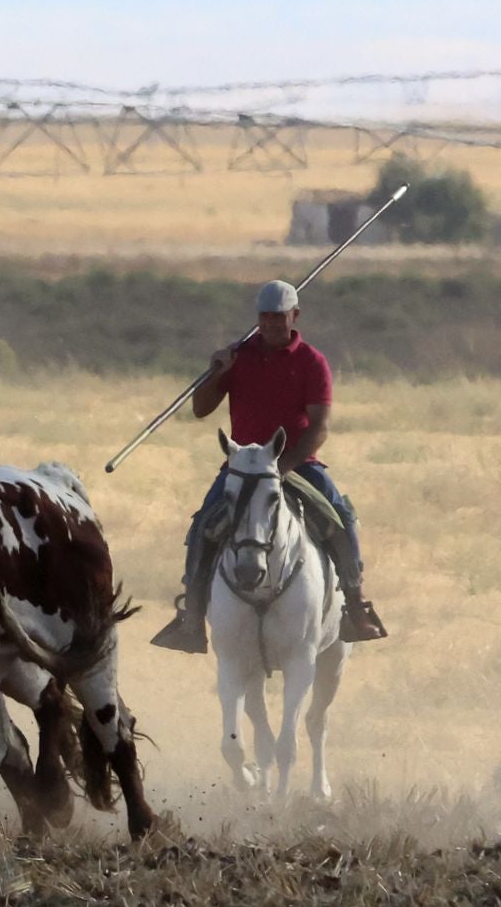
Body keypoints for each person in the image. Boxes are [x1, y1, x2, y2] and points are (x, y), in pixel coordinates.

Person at [152, 279, 387, 653]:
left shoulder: (312, 362)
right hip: (242, 466)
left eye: (279, 317)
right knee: (202, 527)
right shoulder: (236, 356)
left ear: (295, 316)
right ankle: (191, 620)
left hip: (298, 462)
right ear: (257, 318)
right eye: (265, 317)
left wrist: (284, 467)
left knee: (340, 517)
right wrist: (216, 372)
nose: (272, 323)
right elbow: (201, 409)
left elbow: (319, 427)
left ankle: (356, 607)